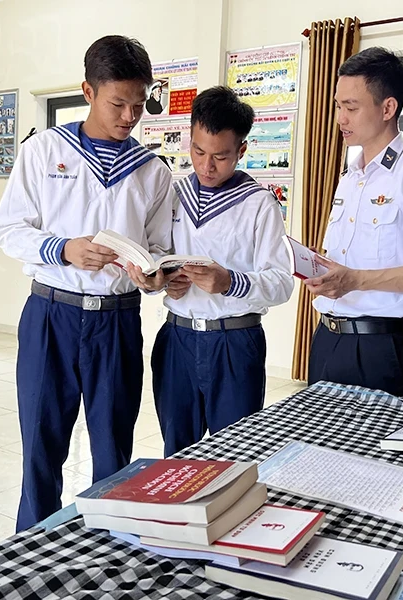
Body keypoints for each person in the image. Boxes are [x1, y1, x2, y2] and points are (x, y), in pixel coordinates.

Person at [0, 35, 177, 531]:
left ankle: (109, 544)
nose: (129, 117)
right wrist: (64, 249)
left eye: (138, 105)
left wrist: (153, 272)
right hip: (50, 316)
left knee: (113, 445)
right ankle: (30, 544)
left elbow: (161, 246)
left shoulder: (152, 171)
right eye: (118, 103)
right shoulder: (44, 151)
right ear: (88, 92)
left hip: (116, 323)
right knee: (41, 439)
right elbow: (8, 228)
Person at [129, 86, 294, 456]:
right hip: (177, 340)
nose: (207, 166)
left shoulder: (259, 204)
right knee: (177, 453)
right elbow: (158, 255)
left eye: (220, 156)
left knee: (233, 458)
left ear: (242, 150)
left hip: (234, 344)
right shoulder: (174, 194)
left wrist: (230, 282)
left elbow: (282, 283)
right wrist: (160, 282)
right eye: (198, 152)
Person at [305, 47, 403, 399]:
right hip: (325, 340)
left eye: (351, 107)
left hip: (377, 348)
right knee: (317, 453)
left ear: (388, 108)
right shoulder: (350, 175)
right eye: (337, 106)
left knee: (376, 455)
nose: (340, 119)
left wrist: (356, 280)